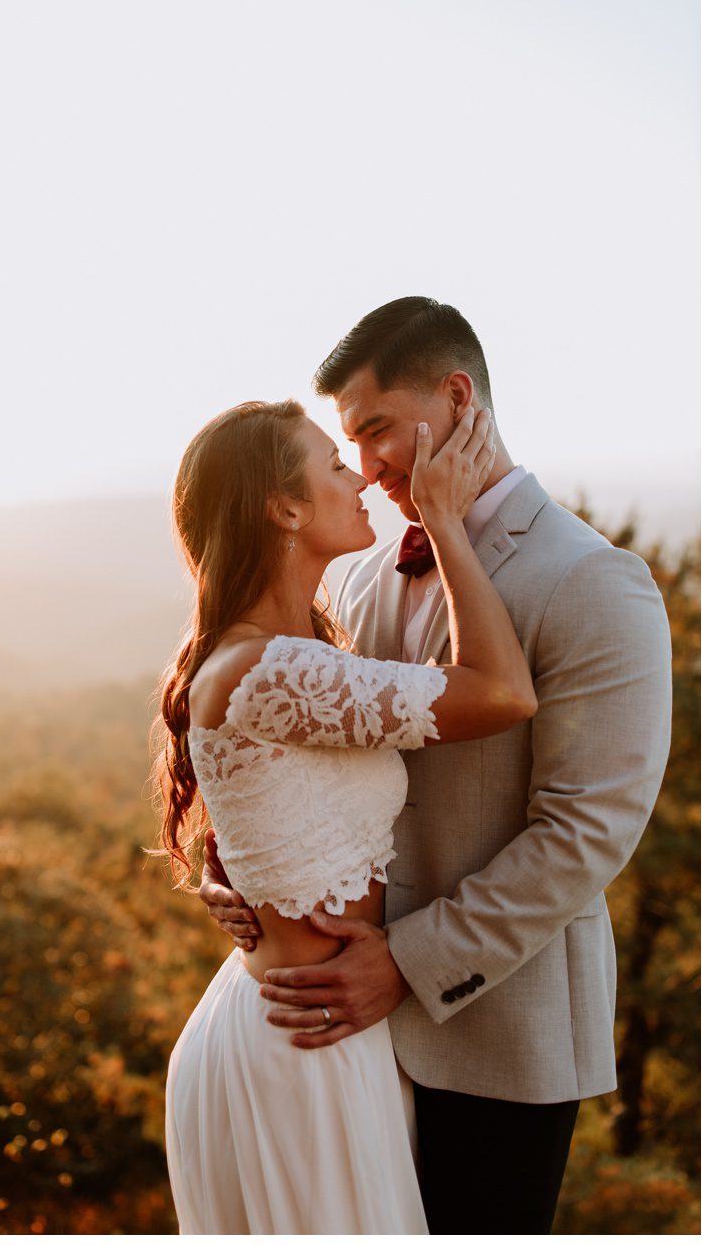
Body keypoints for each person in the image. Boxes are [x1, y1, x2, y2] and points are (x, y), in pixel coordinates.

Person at [197, 298, 672, 1233]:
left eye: (377, 430)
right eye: (348, 446)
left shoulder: (593, 581)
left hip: (495, 1038)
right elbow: (284, 754)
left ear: (456, 399)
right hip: (337, 1035)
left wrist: (409, 964)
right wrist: (237, 870)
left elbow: (588, 833)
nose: (367, 469)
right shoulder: (360, 574)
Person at [158, 397, 539, 1233]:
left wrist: (225, 870)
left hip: (320, 1027)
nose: (361, 478)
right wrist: (444, 521)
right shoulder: (268, 669)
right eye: (335, 463)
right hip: (302, 1049)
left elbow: (272, 807)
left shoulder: (287, 657)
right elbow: (503, 693)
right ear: (285, 509)